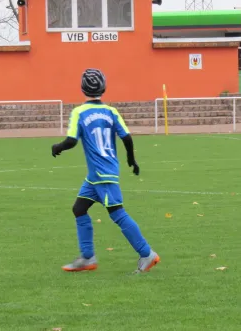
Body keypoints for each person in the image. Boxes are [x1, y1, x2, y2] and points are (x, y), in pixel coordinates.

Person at [51, 68, 160, 272]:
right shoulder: (111, 111)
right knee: (79, 209)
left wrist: (57, 147)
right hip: (97, 176)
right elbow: (126, 137)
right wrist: (131, 160)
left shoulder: (79, 112)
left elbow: (72, 141)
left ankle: (147, 254)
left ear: (82, 88)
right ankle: (87, 257)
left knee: (117, 213)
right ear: (104, 87)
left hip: (102, 175)